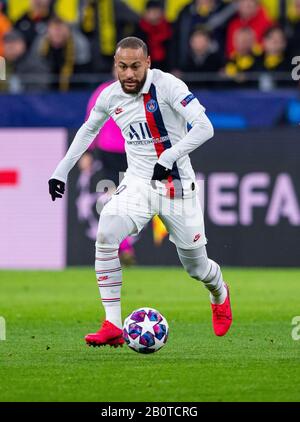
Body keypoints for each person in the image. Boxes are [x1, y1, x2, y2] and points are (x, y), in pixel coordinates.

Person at [48, 36, 233, 348]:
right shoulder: (110, 96)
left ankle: (220, 293)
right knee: (106, 231)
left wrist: (169, 157)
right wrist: (60, 171)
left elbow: (205, 127)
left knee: (196, 267)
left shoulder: (169, 86)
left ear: (148, 63)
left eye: (135, 66)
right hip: (137, 184)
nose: (129, 73)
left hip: (176, 187)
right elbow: (88, 130)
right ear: (115, 66)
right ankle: (112, 323)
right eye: (123, 67)